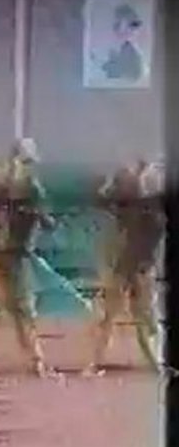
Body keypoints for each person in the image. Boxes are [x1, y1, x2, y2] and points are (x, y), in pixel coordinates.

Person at [0, 140, 53, 375]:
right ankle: (35, 360)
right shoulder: (18, 190)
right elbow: (46, 222)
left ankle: (34, 359)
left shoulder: (3, 190)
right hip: (6, 256)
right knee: (15, 310)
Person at [85, 158, 164, 374]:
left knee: (144, 319)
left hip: (139, 268)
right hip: (129, 266)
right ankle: (98, 359)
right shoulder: (132, 208)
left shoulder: (149, 210)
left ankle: (155, 362)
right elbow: (102, 198)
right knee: (114, 316)